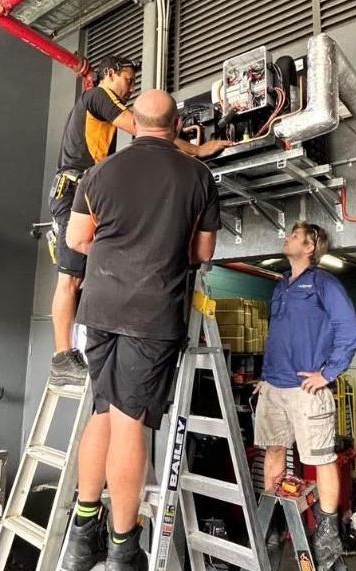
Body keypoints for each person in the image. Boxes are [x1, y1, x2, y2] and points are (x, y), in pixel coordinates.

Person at [59, 89, 220, 571]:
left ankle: (82, 536)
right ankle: (123, 551)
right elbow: (203, 252)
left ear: (134, 125)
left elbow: (76, 240)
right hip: (153, 315)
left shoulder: (100, 173)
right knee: (131, 424)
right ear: (175, 127)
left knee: (102, 412)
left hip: (100, 310)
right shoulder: (197, 176)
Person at [48, 56, 230, 387]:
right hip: (72, 192)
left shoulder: (99, 104)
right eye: (128, 79)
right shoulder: (98, 96)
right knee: (70, 278)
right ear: (110, 73)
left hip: (82, 190)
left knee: (85, 276)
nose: (130, 87)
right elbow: (144, 130)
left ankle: (78, 345)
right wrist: (198, 151)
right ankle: (62, 357)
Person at [256, 222, 356, 571]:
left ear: (310, 246)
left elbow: (350, 331)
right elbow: (280, 336)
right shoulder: (281, 286)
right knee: (274, 450)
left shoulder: (324, 284)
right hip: (274, 386)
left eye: (293, 235)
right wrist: (265, 377)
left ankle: (329, 533)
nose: (286, 238)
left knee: (320, 458)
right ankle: (272, 528)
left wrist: (328, 373)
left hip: (306, 390)